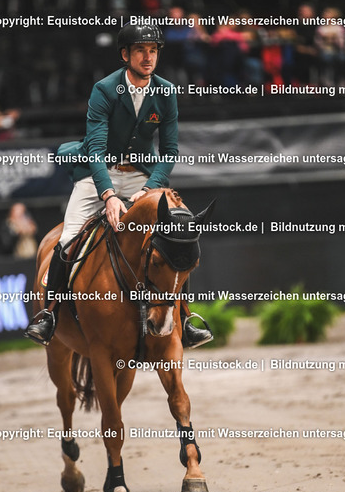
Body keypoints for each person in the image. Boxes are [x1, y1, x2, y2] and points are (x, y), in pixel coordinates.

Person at [25, 23, 212, 349]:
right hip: (98, 172)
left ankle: (185, 319)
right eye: (140, 50)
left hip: (142, 174)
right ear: (125, 55)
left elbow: (170, 151)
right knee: (68, 240)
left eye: (152, 51)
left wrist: (150, 188)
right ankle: (50, 315)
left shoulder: (166, 91)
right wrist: (108, 195)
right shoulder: (105, 90)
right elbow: (96, 150)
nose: (148, 57)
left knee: (177, 236)